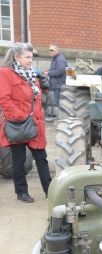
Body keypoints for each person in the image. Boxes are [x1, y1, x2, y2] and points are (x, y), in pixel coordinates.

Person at [0, 42, 52, 203]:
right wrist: (20, 116)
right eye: (27, 57)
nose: (31, 60)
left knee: (42, 159)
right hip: (19, 124)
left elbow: (36, 98)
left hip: (35, 124)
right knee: (18, 160)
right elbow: (4, 99)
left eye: (31, 57)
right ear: (17, 57)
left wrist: (44, 87)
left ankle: (50, 191)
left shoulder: (30, 74)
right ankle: (21, 192)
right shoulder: (5, 73)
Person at [45, 44, 67, 111]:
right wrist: (49, 71)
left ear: (56, 51)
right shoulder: (56, 58)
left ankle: (61, 119)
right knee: (59, 104)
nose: (50, 52)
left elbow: (60, 70)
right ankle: (61, 118)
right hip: (57, 85)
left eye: (52, 50)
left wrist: (49, 73)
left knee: (60, 104)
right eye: (50, 50)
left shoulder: (59, 59)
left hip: (59, 86)